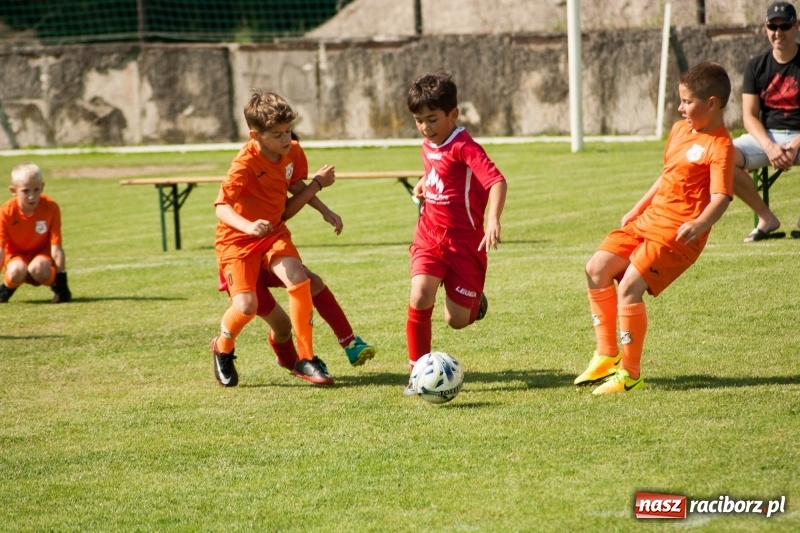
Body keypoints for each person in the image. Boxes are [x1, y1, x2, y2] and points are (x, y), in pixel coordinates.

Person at [575, 62, 734, 395]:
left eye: (687, 101)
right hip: (650, 220)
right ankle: (606, 355)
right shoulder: (679, 130)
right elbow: (666, 175)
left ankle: (630, 374)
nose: (680, 107)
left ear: (712, 103)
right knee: (596, 268)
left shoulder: (720, 146)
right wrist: (637, 207)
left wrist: (701, 222)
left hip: (677, 234)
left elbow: (721, 196)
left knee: (629, 287)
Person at [212, 89, 336, 388]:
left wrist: (324, 209)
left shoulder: (290, 151)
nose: (286, 139)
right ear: (256, 135)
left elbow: (294, 183)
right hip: (237, 241)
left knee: (298, 278)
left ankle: (306, 357)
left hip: (273, 234)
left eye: (288, 131)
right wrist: (247, 225)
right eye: (277, 134)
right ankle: (222, 346)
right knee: (247, 308)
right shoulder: (243, 164)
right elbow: (221, 207)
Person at [404, 72, 508, 395]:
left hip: (465, 243)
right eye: (419, 121)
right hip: (430, 235)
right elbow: (434, 169)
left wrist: (493, 219)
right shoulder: (428, 143)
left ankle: (475, 305)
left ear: (453, 115)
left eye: (432, 119)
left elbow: (497, 181)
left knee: (456, 321)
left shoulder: (464, 146)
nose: (425, 127)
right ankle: (416, 372)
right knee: (420, 293)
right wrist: (424, 181)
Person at [734, 1, 800, 243]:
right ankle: (766, 218)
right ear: (766, 28)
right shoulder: (755, 66)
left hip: (799, 138)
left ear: (797, 27)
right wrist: (770, 146)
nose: (778, 32)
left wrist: (794, 145)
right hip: (766, 136)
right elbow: (749, 116)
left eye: (785, 26)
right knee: (721, 157)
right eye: (773, 26)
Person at [0, 163, 72, 304]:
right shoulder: (5, 212)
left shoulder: (51, 207)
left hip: (42, 256)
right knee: (16, 271)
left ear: (42, 187)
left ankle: (58, 289)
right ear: (13, 190)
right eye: (26, 191)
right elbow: (1, 250)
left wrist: (62, 281)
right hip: (15, 256)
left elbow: (56, 247)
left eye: (36, 189)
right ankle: (5, 290)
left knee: (38, 269)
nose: (32, 196)